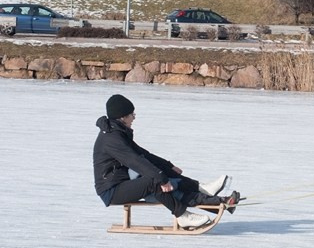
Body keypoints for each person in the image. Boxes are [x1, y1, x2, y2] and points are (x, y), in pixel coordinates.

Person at [93, 94, 240, 230]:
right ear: (122, 117)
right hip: (111, 190)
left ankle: (207, 192)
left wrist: (168, 167)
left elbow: (145, 155)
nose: (134, 117)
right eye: (132, 114)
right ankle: (182, 215)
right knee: (155, 181)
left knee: (168, 181)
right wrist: (161, 178)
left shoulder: (118, 133)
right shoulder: (112, 139)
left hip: (125, 183)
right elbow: (135, 161)